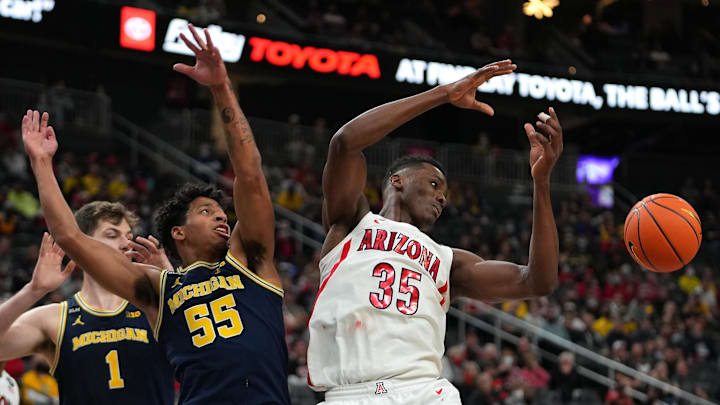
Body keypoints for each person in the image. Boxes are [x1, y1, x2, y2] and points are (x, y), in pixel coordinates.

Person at [22, 23, 289, 405]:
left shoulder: (251, 258)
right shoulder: (158, 290)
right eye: (206, 211)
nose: (221, 218)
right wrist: (43, 164)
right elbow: (70, 238)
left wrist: (220, 87)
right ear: (178, 233)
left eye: (221, 213)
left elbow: (249, 173)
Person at [308, 59, 563, 404]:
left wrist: (542, 182)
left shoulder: (448, 261)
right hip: (351, 393)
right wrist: (443, 94)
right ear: (396, 181)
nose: (442, 195)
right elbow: (345, 143)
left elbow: (538, 280)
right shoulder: (351, 222)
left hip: (425, 392)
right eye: (433, 183)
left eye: (444, 191)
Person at [0, 210, 174, 404]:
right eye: (112, 235)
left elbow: (205, 351)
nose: (126, 244)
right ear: (82, 245)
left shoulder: (153, 308)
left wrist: (172, 284)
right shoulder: (56, 318)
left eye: (129, 237)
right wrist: (33, 290)